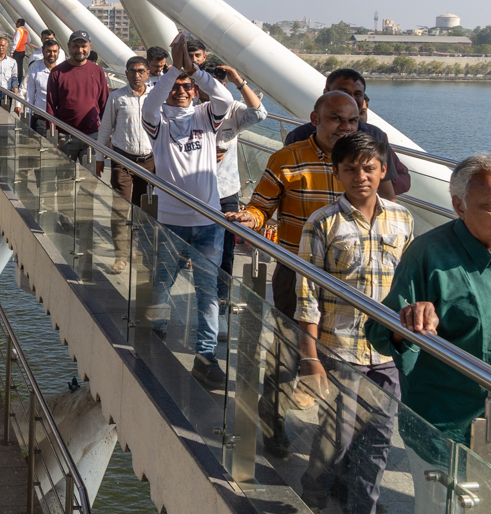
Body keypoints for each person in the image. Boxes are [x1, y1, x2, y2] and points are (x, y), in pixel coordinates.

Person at [226, 90, 361, 457]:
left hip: (349, 280)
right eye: (336, 119)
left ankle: (337, 453)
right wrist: (248, 219)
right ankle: (272, 426)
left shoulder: (362, 161)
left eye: (351, 120)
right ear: (315, 120)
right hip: (296, 275)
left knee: (345, 361)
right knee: (286, 353)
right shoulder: (288, 158)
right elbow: (261, 206)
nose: (344, 127)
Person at [365, 155, 491, 512]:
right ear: (458, 205)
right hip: (448, 430)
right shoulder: (429, 256)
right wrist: (406, 322)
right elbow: (378, 329)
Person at [294, 132, 412, 514]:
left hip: (387, 354)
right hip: (340, 350)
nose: (360, 176)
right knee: (337, 437)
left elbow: (411, 283)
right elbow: (307, 294)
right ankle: (312, 494)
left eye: (369, 168)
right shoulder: (322, 223)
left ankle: (363, 506)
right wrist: (310, 357)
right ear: (337, 174)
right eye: (350, 169)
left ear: (382, 171)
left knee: (378, 439)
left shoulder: (402, 219)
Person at [142, 34, 234, 387]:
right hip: (172, 222)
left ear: (195, 90)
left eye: (187, 87)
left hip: (209, 222)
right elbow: (149, 105)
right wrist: (175, 70)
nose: (181, 90)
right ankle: (156, 334)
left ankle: (206, 356)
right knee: (162, 283)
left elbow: (224, 97)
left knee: (207, 292)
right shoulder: (159, 122)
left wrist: (194, 71)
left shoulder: (205, 116)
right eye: (176, 86)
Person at [283, 69, 410, 198]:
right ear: (325, 94)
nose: (350, 99)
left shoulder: (376, 136)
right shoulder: (299, 137)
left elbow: (387, 190)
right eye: (343, 92)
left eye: (357, 94)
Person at [208, 63, 267, 328]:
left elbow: (260, 113)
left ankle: (220, 303)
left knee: (226, 252)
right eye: (209, 85)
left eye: (220, 84)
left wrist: (238, 80)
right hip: (193, 191)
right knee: (192, 247)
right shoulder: (189, 110)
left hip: (226, 190)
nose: (215, 90)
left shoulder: (234, 110)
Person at [94, 56, 154, 275]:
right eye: (132, 71)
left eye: (140, 71)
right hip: (122, 160)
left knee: (143, 209)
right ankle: (121, 255)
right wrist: (100, 158)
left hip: (148, 162)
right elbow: (105, 128)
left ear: (148, 73)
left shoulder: (156, 98)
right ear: (126, 74)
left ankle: (137, 248)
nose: (136, 75)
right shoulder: (116, 97)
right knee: (120, 209)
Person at [45, 31, 110, 162]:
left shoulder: (98, 71)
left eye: (83, 46)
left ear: (90, 46)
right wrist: (53, 134)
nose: (79, 50)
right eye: (75, 46)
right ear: (68, 46)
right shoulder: (57, 72)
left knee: (90, 178)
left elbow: (105, 105)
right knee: (65, 176)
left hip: (92, 135)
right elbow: (51, 105)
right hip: (66, 135)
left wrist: (108, 138)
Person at [16, 39, 60, 137]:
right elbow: (29, 99)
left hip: (59, 120)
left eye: (55, 51)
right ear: (43, 52)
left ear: (58, 53)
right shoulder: (35, 72)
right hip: (41, 119)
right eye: (49, 51)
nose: (52, 54)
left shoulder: (63, 73)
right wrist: (28, 122)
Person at [12, 18, 30, 85]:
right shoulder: (26, 31)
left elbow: (15, 41)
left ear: (19, 23)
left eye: (16, 22)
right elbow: (29, 40)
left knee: (14, 66)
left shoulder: (19, 30)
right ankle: (19, 81)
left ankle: (14, 81)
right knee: (20, 66)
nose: (16, 24)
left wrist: (12, 51)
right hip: (23, 51)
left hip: (17, 50)